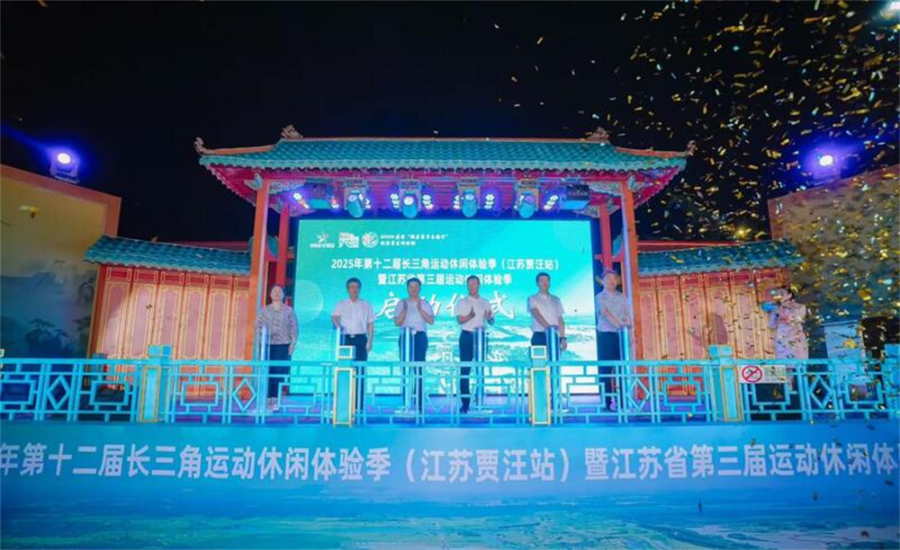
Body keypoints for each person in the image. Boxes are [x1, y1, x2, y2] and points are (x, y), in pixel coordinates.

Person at [331, 277, 375, 413]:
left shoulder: (366, 305)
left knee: (360, 371)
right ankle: (344, 405)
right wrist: (339, 328)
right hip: (345, 339)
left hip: (361, 339)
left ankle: (359, 406)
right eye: (351, 287)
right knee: (344, 371)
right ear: (347, 289)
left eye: (356, 287)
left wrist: (370, 340)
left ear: (359, 289)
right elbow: (334, 317)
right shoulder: (341, 304)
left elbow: (370, 324)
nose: (354, 289)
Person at [254, 285, 298, 412]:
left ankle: (276, 400)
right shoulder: (264, 310)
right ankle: (267, 399)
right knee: (267, 371)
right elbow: (257, 326)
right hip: (267, 345)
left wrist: (293, 343)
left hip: (283, 344)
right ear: (270, 294)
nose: (277, 293)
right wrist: (261, 339)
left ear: (283, 294)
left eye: (280, 291)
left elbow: (294, 327)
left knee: (279, 372)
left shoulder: (289, 311)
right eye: (274, 291)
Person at [394, 277, 435, 412]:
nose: (413, 289)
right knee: (406, 369)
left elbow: (431, 321)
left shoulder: (425, 303)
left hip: (420, 337)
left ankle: (418, 403)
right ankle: (406, 402)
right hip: (405, 337)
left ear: (420, 288)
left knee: (419, 369)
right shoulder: (401, 303)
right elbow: (397, 323)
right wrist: (405, 310)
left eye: (416, 286)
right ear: (407, 288)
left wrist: (420, 309)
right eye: (411, 286)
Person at [456, 275, 495, 414]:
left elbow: (491, 321)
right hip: (467, 336)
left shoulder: (485, 302)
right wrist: (470, 316)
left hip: (481, 337)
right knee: (465, 370)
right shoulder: (463, 301)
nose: (472, 286)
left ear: (479, 285)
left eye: (474, 284)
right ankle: (465, 404)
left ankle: (480, 402)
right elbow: (459, 320)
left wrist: (489, 318)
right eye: (469, 284)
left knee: (480, 370)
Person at [595, 268, 632, 410]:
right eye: (608, 278)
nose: (611, 281)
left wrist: (628, 329)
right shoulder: (600, 297)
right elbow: (605, 313)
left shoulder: (622, 297)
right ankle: (606, 402)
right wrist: (620, 327)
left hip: (621, 336)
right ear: (603, 281)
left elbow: (627, 314)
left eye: (614, 278)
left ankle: (623, 402)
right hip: (606, 336)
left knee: (622, 369)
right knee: (606, 369)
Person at [528, 272, 567, 352]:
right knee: (539, 360)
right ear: (537, 283)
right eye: (542, 280)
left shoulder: (556, 299)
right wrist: (550, 328)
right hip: (539, 336)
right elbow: (536, 314)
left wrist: (563, 337)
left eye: (547, 280)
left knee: (555, 359)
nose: (545, 283)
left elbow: (560, 319)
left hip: (555, 336)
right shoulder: (532, 298)